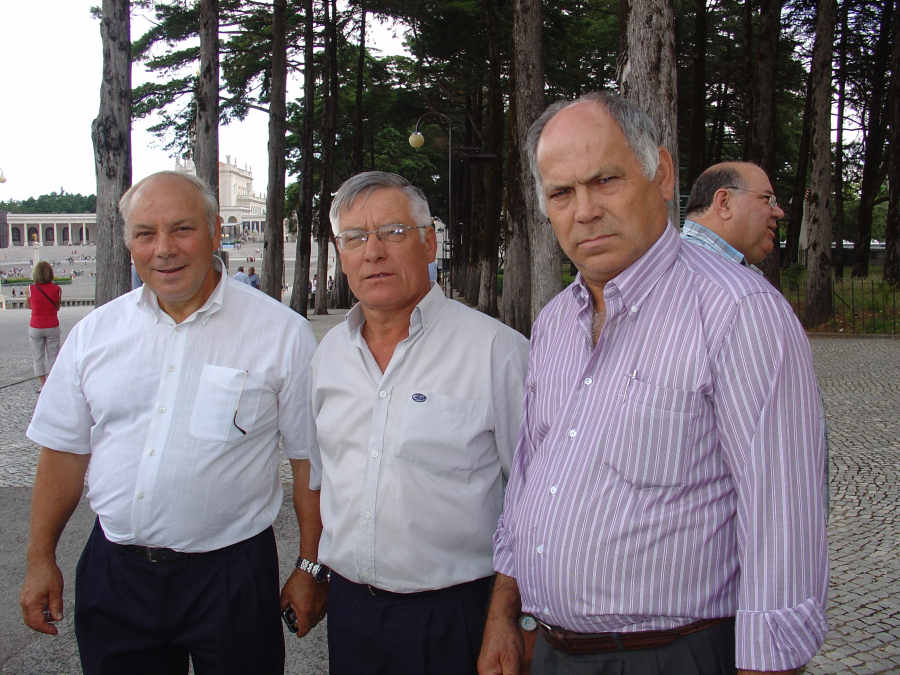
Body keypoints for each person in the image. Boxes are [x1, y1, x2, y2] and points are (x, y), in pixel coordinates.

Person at [478, 92, 828, 675]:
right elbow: (532, 478)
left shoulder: (737, 311)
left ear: (662, 174)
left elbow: (783, 515)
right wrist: (504, 613)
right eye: (561, 193)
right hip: (556, 653)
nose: (584, 211)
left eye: (605, 180)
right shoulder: (556, 322)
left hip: (675, 654)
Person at [20, 171, 318, 674]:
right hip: (117, 576)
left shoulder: (283, 334)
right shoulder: (95, 334)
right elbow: (64, 454)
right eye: (145, 234)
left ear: (215, 231)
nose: (163, 249)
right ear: (128, 243)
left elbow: (309, 462)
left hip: (231, 578)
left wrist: (310, 567)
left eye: (182, 229)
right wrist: (39, 559)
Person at [282, 171, 529, 674]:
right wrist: (311, 567)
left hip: (458, 616)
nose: (373, 252)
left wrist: (512, 618)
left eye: (393, 232)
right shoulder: (329, 355)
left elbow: (535, 498)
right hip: (353, 614)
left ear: (429, 242)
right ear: (341, 254)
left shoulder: (496, 352)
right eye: (355, 238)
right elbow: (320, 478)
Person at [683, 162, 831, 518]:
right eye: (768, 199)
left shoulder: (707, 277)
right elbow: (774, 447)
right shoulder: (734, 293)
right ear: (724, 202)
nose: (778, 212)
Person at [681, 161, 785, 269]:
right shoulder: (699, 270)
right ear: (724, 203)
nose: (780, 213)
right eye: (769, 199)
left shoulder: (689, 263)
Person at [26, 261, 61, 388]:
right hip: (52, 325)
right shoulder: (57, 289)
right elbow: (57, 307)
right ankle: (52, 383)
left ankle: (43, 384)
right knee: (53, 356)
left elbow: (29, 306)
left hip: (36, 326)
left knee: (38, 357)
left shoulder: (30, 289)